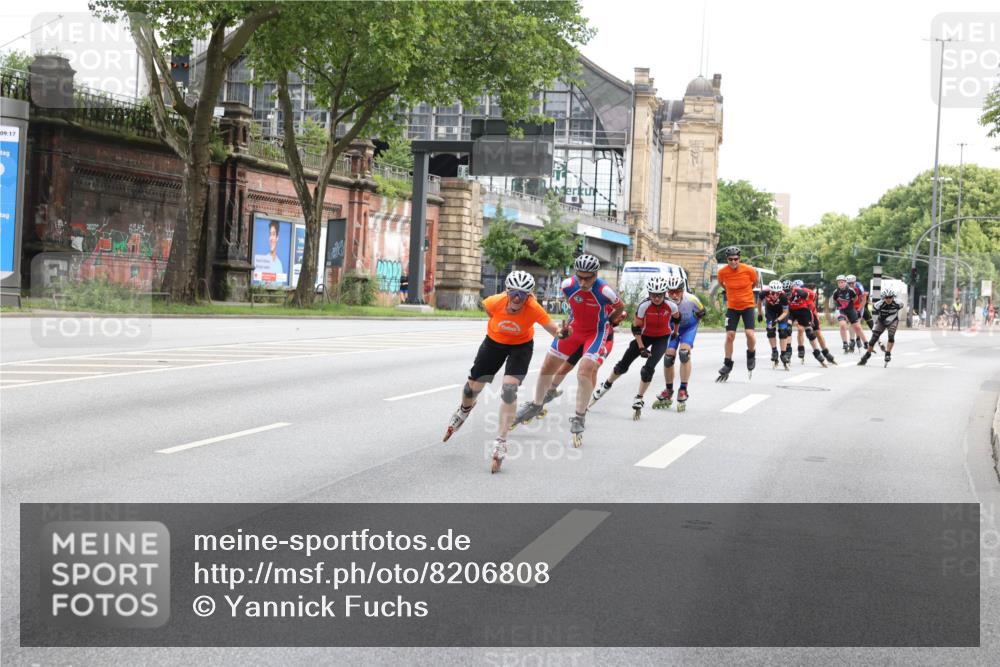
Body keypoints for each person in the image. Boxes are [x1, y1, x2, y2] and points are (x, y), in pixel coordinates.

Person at [442, 270, 566, 473]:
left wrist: (563, 333)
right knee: (471, 390)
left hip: (521, 347)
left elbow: (555, 331)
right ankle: (464, 410)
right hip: (493, 344)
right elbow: (490, 313)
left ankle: (501, 441)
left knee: (509, 390)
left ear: (530, 296)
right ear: (507, 291)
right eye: (515, 293)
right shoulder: (493, 302)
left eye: (524, 294)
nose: (518, 298)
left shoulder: (534, 308)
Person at [513, 254, 624, 448]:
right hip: (574, 329)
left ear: (595, 275)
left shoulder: (605, 291)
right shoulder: (567, 285)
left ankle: (579, 417)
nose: (582, 282)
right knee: (548, 365)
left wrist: (610, 320)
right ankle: (536, 404)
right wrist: (568, 323)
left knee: (585, 371)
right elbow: (573, 305)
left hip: (595, 332)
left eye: (587, 278)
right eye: (579, 276)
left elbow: (620, 306)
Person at [590, 276, 680, 420]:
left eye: (660, 295)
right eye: (653, 295)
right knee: (622, 366)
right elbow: (636, 327)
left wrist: (675, 332)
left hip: (662, 337)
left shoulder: (671, 306)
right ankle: (606, 385)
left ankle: (639, 397)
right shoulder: (644, 306)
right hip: (644, 335)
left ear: (665, 294)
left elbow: (677, 318)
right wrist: (641, 347)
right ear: (649, 294)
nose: (656, 298)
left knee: (647, 370)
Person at [654, 274, 706, 411]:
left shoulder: (692, 299)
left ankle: (683, 389)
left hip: (689, 327)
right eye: (670, 291)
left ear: (683, 291)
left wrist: (694, 322)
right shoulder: (663, 301)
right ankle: (669, 389)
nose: (674, 295)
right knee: (668, 357)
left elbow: (702, 311)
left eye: (677, 291)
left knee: (684, 354)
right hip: (672, 328)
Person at [715, 245, 758, 381]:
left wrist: (744, 294)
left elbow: (754, 284)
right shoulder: (722, 272)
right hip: (732, 307)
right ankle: (727, 364)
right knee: (729, 336)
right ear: (727, 259)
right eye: (730, 259)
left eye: (736, 259)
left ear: (739, 258)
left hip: (747, 306)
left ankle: (751, 354)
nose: (733, 262)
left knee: (749, 334)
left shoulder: (749, 270)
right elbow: (723, 285)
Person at [786, 281, 833, 367]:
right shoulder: (787, 295)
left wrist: (806, 298)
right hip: (796, 312)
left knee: (816, 333)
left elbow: (814, 297)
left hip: (810, 312)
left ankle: (825, 352)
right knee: (798, 329)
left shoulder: (804, 291)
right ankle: (800, 349)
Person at [858, 289, 903, 367]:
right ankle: (867, 355)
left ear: (893, 297)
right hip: (881, 321)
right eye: (886, 297)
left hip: (893, 320)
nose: (888, 299)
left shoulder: (899, 303)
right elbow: (875, 315)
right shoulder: (878, 305)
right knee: (873, 339)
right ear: (883, 298)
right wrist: (875, 325)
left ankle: (888, 353)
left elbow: (901, 310)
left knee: (891, 336)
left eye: (890, 297)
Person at [758, 279, 792, 369]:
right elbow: (759, 302)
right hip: (770, 311)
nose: (775, 295)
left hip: (782, 312)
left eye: (777, 293)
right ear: (769, 290)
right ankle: (774, 351)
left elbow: (785, 312)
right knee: (770, 330)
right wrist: (760, 313)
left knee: (783, 331)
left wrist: (777, 320)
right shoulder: (764, 293)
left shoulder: (784, 296)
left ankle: (783, 354)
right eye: (773, 293)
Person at [832, 274, 866, 354]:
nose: (851, 284)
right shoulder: (839, 291)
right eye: (849, 283)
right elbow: (835, 300)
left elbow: (863, 300)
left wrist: (859, 309)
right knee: (845, 324)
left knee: (857, 325)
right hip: (846, 307)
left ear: (855, 282)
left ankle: (858, 339)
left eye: (852, 283)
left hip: (858, 306)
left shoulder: (859, 288)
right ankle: (851, 341)